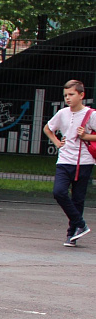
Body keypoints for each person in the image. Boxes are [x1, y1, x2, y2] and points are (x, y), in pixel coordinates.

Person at [42, 79, 94, 247]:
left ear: (81, 95)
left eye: (71, 94)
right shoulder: (62, 113)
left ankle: (72, 235)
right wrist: (56, 142)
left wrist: (86, 136)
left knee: (78, 199)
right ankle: (81, 224)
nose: (68, 98)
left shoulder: (91, 115)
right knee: (59, 192)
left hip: (84, 162)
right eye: (65, 95)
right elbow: (48, 128)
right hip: (64, 160)